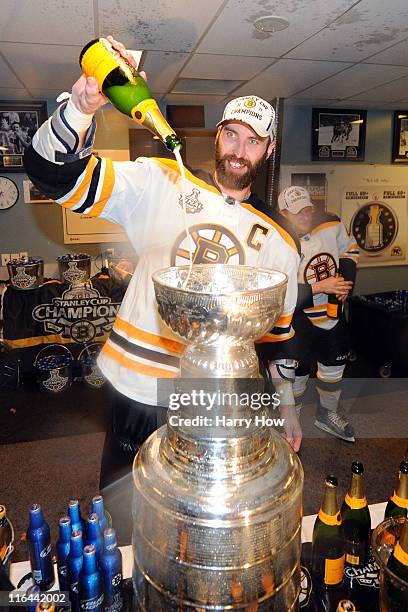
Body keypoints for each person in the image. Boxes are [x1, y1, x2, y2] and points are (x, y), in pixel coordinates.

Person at [24, 36, 301, 538]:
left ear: (268, 148)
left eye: (252, 140)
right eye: (231, 134)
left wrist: (287, 407)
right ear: (217, 137)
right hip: (138, 386)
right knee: (123, 511)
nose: (239, 150)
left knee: (196, 521)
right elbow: (50, 174)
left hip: (214, 399)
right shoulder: (159, 183)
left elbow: (278, 342)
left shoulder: (282, 245)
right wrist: (84, 108)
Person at [277, 185, 359, 442]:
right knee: (296, 373)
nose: (305, 216)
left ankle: (327, 414)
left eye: (308, 209)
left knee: (334, 367)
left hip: (332, 311)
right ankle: (292, 422)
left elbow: (350, 249)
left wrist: (345, 282)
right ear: (283, 214)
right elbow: (279, 288)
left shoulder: (331, 224)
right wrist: (319, 287)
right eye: (297, 212)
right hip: (297, 316)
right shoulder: (277, 237)